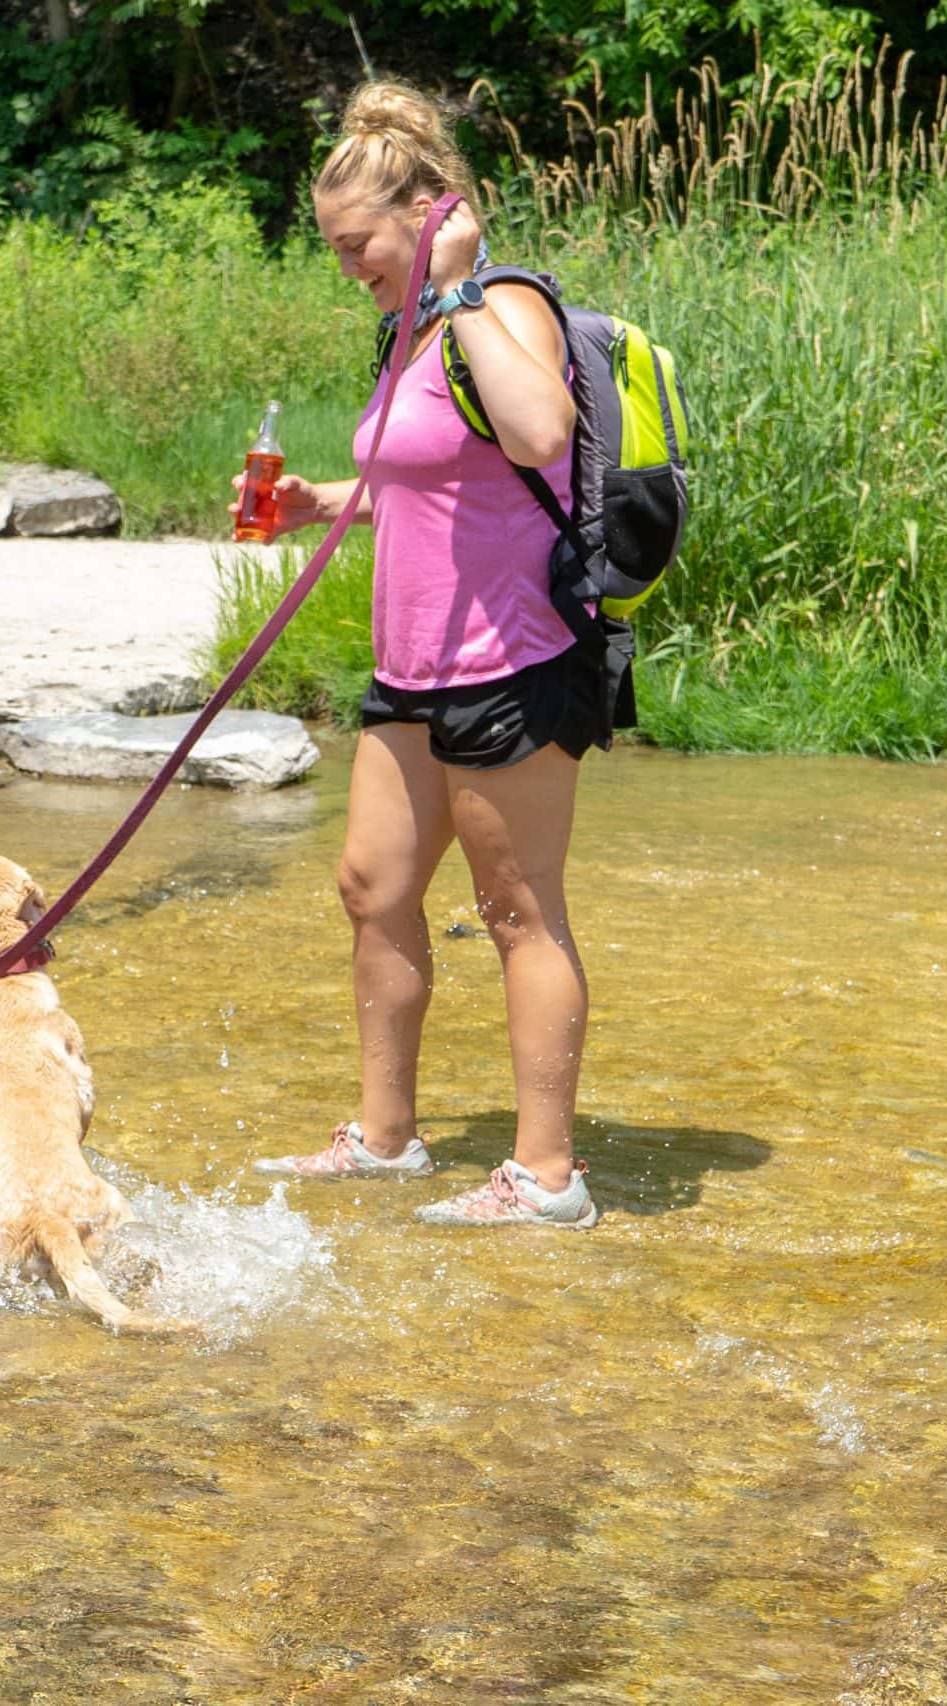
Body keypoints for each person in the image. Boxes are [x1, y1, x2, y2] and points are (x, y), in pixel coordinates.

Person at [244, 79, 615, 1229]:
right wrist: (321, 501)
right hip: (412, 666)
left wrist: (458, 284)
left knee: (517, 910)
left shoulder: (501, 305)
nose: (345, 264)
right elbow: (432, 478)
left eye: (358, 245)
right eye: (333, 247)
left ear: (429, 212)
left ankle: (548, 1178)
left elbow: (539, 434)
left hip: (515, 658)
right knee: (372, 886)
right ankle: (386, 1139)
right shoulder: (404, 329)